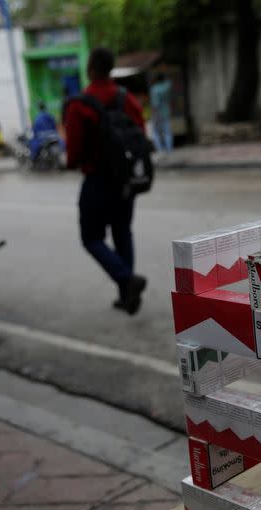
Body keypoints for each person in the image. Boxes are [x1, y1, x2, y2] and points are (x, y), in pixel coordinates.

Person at [64, 47, 147, 315]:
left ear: (90, 69)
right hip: (125, 181)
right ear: (110, 69)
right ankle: (128, 295)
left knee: (91, 237)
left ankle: (126, 280)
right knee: (122, 232)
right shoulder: (127, 99)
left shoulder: (80, 105)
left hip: (97, 181)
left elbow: (74, 153)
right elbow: (141, 136)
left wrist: (73, 162)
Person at [149, 72, 173, 153]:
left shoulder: (154, 89)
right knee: (167, 131)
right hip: (166, 111)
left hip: (157, 113)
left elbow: (155, 104)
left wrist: (154, 114)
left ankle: (160, 149)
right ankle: (169, 149)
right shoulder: (167, 86)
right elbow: (169, 82)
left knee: (156, 132)